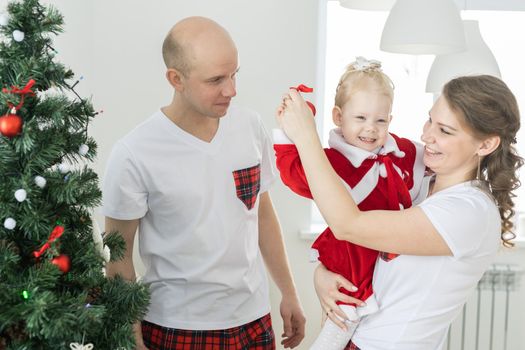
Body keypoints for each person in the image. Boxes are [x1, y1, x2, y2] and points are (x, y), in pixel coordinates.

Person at [103, 16, 305, 350]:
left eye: (234, 73)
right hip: (177, 327)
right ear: (176, 79)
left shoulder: (250, 126)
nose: (232, 90)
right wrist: (130, 333)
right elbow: (118, 252)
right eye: (216, 80)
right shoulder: (134, 152)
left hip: (254, 320)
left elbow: (262, 215)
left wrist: (289, 292)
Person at [277, 74, 523, 350]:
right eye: (430, 120)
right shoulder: (416, 185)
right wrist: (322, 273)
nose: (426, 135)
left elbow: (349, 224)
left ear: (486, 145)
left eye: (445, 131)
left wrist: (304, 135)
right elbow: (370, 253)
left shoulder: (468, 212)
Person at [274, 57, 425, 349]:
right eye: (360, 118)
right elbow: (295, 174)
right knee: (347, 303)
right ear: (338, 116)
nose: (371, 128)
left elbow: (427, 160)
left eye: (380, 120)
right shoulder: (329, 162)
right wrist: (291, 130)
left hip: (387, 252)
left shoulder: (399, 151)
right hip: (351, 251)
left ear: (390, 121)